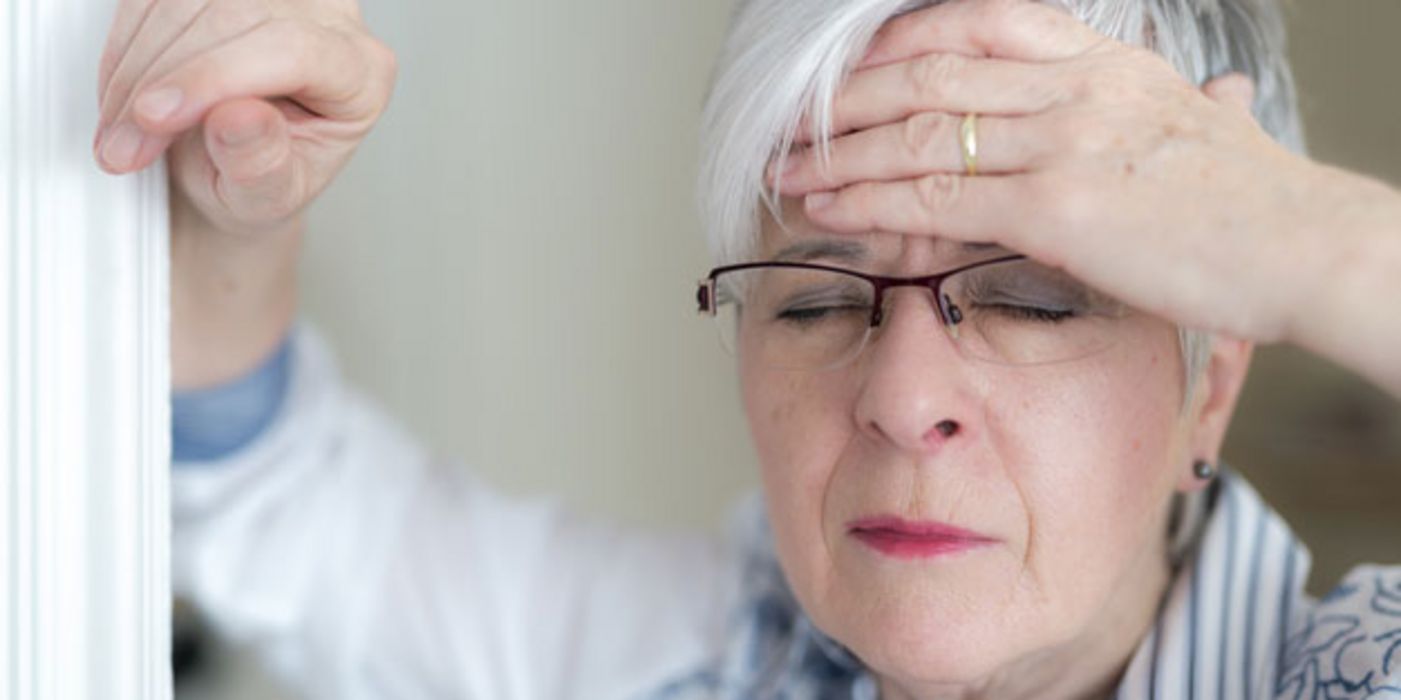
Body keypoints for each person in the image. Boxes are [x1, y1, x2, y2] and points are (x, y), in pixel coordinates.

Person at [95, 0, 1401, 697]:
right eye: (814, 303)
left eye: (1032, 300)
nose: (899, 397)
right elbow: (291, 508)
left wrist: (1319, 243)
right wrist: (233, 219)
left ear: (1208, 382)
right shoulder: (705, 652)